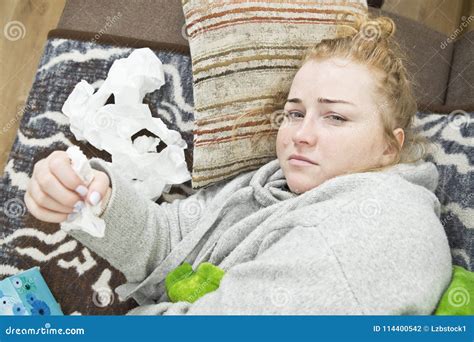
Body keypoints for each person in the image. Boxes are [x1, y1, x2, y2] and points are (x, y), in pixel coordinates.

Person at [24, 15, 452, 315]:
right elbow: (171, 241)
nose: (301, 133)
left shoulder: (384, 227)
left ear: (389, 148)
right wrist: (92, 193)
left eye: (335, 116)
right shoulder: (273, 183)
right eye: (295, 112)